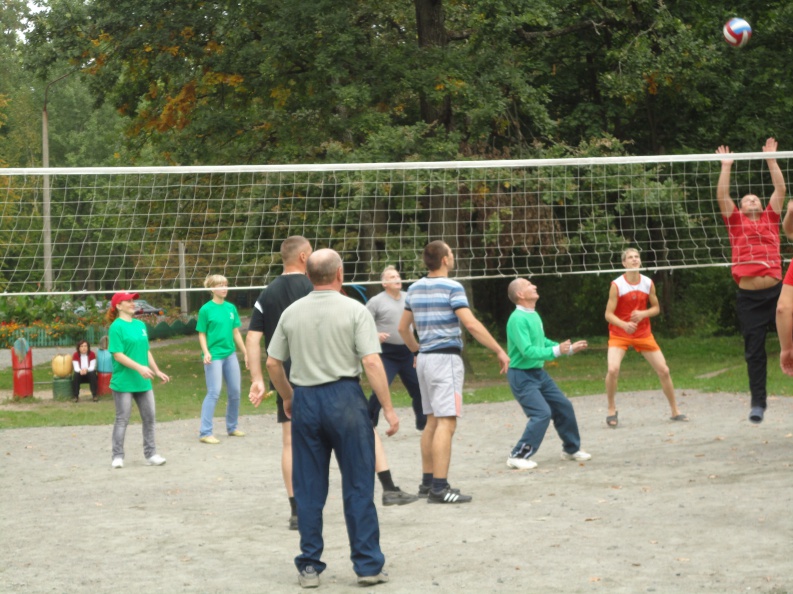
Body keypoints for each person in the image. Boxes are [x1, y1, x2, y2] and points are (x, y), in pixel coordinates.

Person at [265, 248, 397, 588]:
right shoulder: (355, 309)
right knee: (358, 483)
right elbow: (371, 362)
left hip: (306, 400)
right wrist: (388, 407)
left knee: (308, 487)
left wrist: (288, 397)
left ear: (308, 275)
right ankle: (367, 566)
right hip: (345, 399)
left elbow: (273, 363)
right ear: (340, 274)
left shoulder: (292, 312)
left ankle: (310, 566)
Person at [398, 240, 509, 504]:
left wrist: (416, 351)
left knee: (431, 421)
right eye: (451, 252)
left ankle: (427, 484)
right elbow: (471, 324)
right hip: (445, 359)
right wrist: (498, 350)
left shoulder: (413, 288)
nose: (453, 255)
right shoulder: (452, 287)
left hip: (425, 359)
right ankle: (439, 488)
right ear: (445, 259)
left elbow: (403, 328)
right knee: (446, 422)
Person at [716, 138, 787, 423]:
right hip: (750, 298)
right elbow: (722, 196)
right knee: (754, 352)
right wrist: (726, 166)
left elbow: (780, 189)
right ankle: (758, 403)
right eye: (747, 200)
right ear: (741, 208)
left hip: (778, 292)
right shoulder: (735, 222)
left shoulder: (771, 218)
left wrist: (771, 159)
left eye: (755, 198)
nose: (752, 200)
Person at [247, 236, 313, 530]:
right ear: (303, 257)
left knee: (290, 443)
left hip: (285, 377)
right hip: (321, 374)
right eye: (311, 253)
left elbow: (252, 338)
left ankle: (297, 511)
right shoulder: (316, 286)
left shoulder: (267, 293)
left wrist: (257, 380)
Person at [505, 279, 591, 469]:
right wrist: (557, 351)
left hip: (538, 373)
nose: (534, 286)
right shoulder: (517, 319)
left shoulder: (533, 315)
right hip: (521, 376)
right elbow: (527, 351)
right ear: (520, 294)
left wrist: (568, 349)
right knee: (541, 413)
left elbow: (541, 341)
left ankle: (571, 449)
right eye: (529, 285)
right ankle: (517, 456)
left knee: (563, 406)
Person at [604, 248, 687, 427]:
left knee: (664, 370)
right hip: (620, 332)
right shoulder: (617, 285)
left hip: (642, 333)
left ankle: (675, 411)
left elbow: (656, 308)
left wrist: (643, 314)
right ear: (624, 263)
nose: (634, 260)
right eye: (630, 257)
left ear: (640, 261)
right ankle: (611, 408)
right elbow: (608, 315)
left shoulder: (648, 283)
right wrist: (624, 325)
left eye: (637, 257)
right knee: (613, 369)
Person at [106, 292, 169, 469]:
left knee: (149, 418)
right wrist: (139, 368)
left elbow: (146, 351)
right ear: (118, 306)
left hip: (143, 381)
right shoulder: (116, 327)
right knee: (122, 419)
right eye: (128, 301)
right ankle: (117, 456)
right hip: (124, 382)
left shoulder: (140, 325)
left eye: (133, 300)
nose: (132, 303)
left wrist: (156, 370)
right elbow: (118, 355)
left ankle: (151, 454)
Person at [366, 265, 426, 432]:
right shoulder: (376, 301)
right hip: (386, 353)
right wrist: (376, 334)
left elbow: (416, 322)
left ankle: (423, 424)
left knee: (419, 387)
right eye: (392, 277)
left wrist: (418, 347)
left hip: (408, 352)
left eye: (398, 276)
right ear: (384, 283)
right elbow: (363, 324)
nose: (397, 279)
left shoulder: (409, 298)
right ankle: (369, 423)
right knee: (380, 389)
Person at [196, 274, 248, 444]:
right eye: (220, 285)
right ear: (212, 288)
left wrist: (245, 352)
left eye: (226, 284)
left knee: (235, 392)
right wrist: (206, 352)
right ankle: (205, 432)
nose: (224, 288)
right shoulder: (205, 309)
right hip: (214, 356)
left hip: (230, 354)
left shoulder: (231, 308)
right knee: (214, 392)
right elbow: (202, 334)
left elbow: (235, 332)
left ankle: (232, 427)